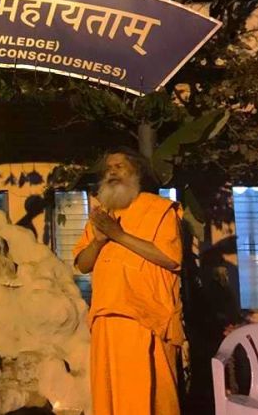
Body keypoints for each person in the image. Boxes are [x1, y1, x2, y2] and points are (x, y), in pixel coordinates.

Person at [72, 147, 184, 415]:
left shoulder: (159, 210)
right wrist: (99, 240)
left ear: (137, 172)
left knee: (149, 399)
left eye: (119, 166)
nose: (112, 172)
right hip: (106, 321)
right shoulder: (101, 216)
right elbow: (83, 264)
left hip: (146, 320)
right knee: (110, 398)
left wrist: (119, 235)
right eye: (108, 168)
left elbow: (171, 259)